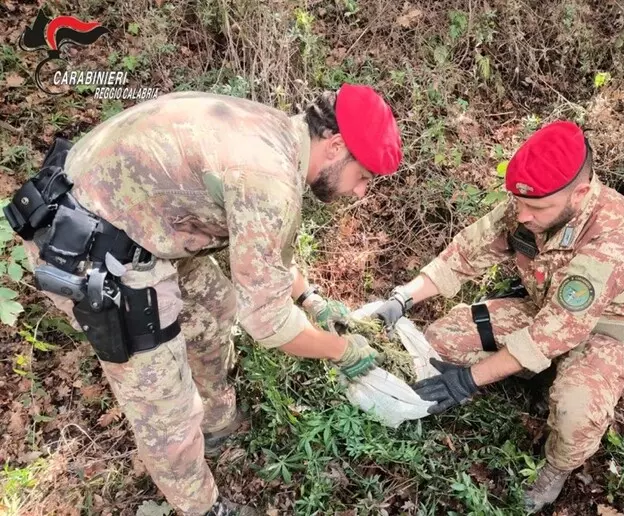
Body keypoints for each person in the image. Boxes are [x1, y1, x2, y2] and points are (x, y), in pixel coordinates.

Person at [4, 84, 402, 515]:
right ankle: (202, 507)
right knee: (165, 414)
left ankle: (218, 418)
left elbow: (266, 256)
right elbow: (266, 321)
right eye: (363, 176)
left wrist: (310, 299)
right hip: (90, 248)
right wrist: (342, 351)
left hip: (142, 222)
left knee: (218, 308)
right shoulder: (269, 178)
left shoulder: (278, 134)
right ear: (336, 145)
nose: (360, 192)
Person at [371, 121, 624, 513]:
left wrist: (468, 381)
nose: (523, 215)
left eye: (536, 207)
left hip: (608, 331)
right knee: (441, 339)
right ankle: (535, 373)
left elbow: (556, 332)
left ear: (580, 193)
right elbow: (465, 254)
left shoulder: (614, 235)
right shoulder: (530, 206)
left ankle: (557, 467)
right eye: (518, 202)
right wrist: (402, 298)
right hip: (544, 310)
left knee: (575, 411)